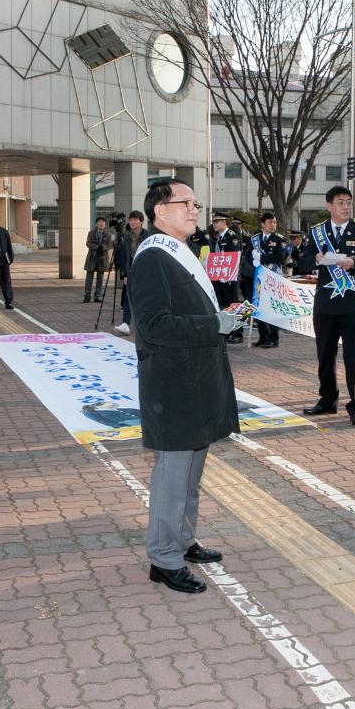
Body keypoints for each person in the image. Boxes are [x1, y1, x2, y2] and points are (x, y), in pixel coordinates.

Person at [129, 178, 239, 595]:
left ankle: (183, 539)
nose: (195, 209)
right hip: (174, 388)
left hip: (196, 382)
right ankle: (164, 558)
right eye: (186, 202)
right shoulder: (152, 259)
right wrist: (214, 324)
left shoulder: (181, 252)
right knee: (172, 478)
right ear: (160, 211)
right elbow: (155, 326)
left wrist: (221, 316)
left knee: (191, 475)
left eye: (196, 203)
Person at [296, 186, 355, 427]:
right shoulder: (317, 232)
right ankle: (327, 399)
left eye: (348, 202)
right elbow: (301, 261)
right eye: (340, 202)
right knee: (325, 354)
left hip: (352, 304)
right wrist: (315, 259)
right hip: (325, 304)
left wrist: (353, 262)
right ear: (329, 205)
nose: (345, 207)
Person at [247, 212, 288, 348]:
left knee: (272, 308)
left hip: (273, 278)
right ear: (263, 224)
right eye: (270, 222)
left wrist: (261, 258)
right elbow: (247, 256)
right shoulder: (254, 239)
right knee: (259, 306)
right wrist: (253, 259)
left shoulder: (279, 239)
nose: (273, 225)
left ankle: (273, 338)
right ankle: (263, 337)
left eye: (274, 222)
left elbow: (279, 258)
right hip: (259, 278)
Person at [207, 213, 243, 343]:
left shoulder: (231, 237)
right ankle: (228, 331)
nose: (214, 225)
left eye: (217, 222)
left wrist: (227, 275)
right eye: (214, 222)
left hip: (229, 278)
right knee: (223, 304)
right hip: (219, 276)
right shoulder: (220, 238)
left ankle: (238, 333)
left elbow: (235, 257)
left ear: (224, 222)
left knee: (233, 303)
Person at [113, 210, 147, 335]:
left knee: (145, 298)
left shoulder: (147, 236)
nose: (132, 222)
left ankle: (145, 325)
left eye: (135, 220)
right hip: (131, 270)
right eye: (131, 219)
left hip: (145, 271)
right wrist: (124, 274)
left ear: (141, 221)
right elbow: (123, 257)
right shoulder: (126, 237)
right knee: (128, 297)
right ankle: (126, 324)